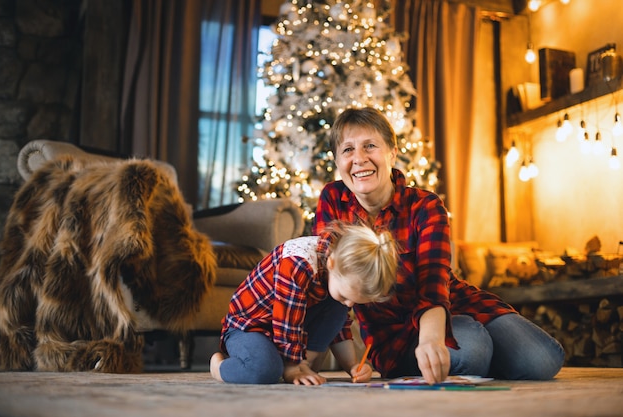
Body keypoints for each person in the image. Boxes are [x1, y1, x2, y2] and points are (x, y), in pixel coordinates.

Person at [313, 107, 565, 384]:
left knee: (544, 360)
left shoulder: (425, 205)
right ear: (337, 161)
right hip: (394, 335)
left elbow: (433, 285)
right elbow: (329, 287)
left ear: (392, 153)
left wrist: (432, 339)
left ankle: (472, 346)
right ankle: (473, 350)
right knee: (472, 352)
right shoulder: (333, 199)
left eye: (370, 146)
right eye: (348, 150)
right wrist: (312, 360)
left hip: (454, 303)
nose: (359, 159)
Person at [209, 221, 399, 385]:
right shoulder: (297, 264)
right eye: (345, 296)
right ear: (331, 263)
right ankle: (220, 367)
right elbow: (287, 320)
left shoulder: (339, 274)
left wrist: (353, 365)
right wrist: (293, 368)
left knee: (336, 309)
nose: (349, 305)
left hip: (288, 331)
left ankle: (301, 364)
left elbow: (340, 326)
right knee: (265, 370)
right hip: (248, 327)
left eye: (354, 302)